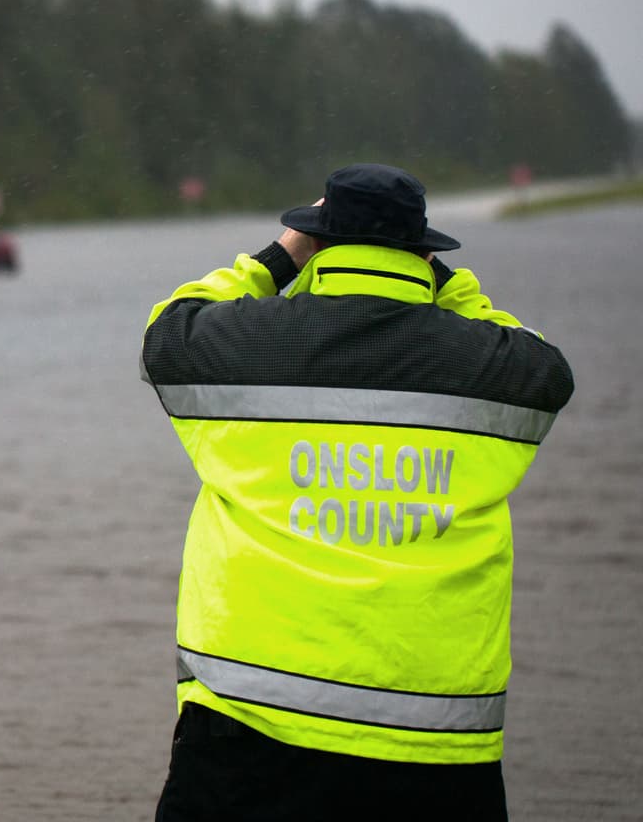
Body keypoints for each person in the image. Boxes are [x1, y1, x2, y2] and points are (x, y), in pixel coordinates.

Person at [140, 163, 575, 820]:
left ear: (316, 240)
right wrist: (448, 287)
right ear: (424, 252)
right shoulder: (491, 368)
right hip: (435, 752)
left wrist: (277, 258)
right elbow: (546, 368)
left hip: (248, 734)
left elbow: (169, 331)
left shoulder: (243, 347)